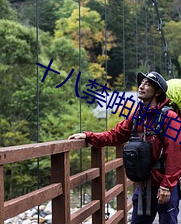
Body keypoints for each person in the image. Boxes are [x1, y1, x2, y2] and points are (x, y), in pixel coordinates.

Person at [68, 71, 181, 224]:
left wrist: (167, 186)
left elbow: (175, 154)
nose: (141, 86)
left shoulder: (170, 118)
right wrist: (89, 136)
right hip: (144, 184)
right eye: (141, 83)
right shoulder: (137, 115)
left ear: (158, 92)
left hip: (164, 185)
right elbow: (115, 135)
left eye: (147, 84)